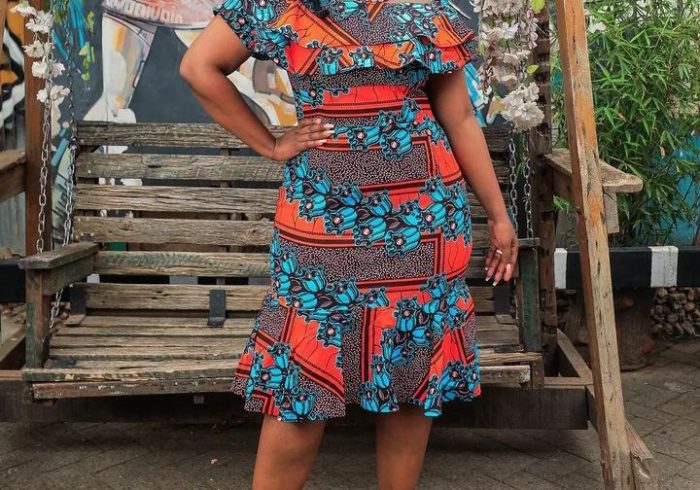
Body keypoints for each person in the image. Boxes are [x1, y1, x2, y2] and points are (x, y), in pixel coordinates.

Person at [179, 0, 518, 488]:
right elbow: (198, 67)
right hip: (324, 221)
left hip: (421, 219)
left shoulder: (423, 5)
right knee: (301, 376)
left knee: (409, 371)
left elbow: (459, 115)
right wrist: (271, 144)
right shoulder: (278, 4)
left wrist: (499, 216)